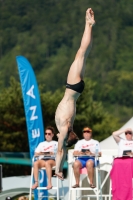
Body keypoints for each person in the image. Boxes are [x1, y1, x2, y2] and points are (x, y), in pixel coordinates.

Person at [55, 8, 95, 180]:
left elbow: (63, 150)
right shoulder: (63, 128)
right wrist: (57, 170)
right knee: (80, 53)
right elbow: (60, 150)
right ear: (65, 137)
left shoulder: (69, 124)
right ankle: (89, 24)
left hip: (78, 90)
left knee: (84, 55)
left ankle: (89, 25)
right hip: (71, 88)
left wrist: (60, 169)